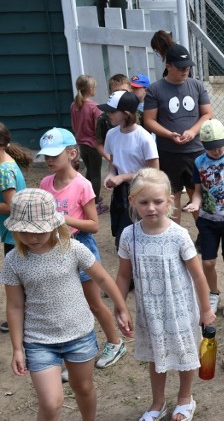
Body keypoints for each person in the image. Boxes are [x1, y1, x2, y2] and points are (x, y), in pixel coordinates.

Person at [0, 189, 133, 421]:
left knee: (83, 387)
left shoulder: (72, 248)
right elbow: (14, 306)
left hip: (79, 335)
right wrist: (17, 348)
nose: (32, 237)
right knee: (51, 404)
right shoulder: (13, 261)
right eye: (23, 231)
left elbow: (102, 278)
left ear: (53, 224)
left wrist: (121, 306)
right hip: (38, 341)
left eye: (38, 230)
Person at [115, 168, 215, 421]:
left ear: (170, 200)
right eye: (144, 202)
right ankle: (157, 403)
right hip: (150, 311)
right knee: (156, 356)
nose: (151, 208)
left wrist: (205, 310)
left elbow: (198, 276)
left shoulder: (178, 235)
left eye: (158, 202)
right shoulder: (129, 235)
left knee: (184, 354)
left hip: (180, 308)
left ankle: (185, 399)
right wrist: (121, 307)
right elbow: (124, 275)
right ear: (132, 202)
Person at [38, 128, 127, 370]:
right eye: (46, 155)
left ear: (72, 153)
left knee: (94, 302)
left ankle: (115, 342)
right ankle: (73, 353)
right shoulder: (45, 183)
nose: (49, 160)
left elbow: (94, 225)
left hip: (81, 246)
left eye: (54, 155)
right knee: (66, 303)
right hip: (55, 250)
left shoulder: (82, 185)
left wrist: (63, 218)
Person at [183, 119, 224, 318]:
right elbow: (197, 191)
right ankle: (214, 292)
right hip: (207, 221)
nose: (216, 150)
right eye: (211, 147)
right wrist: (195, 203)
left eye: (219, 145)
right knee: (208, 262)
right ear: (203, 145)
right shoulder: (199, 163)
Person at [143, 44, 213, 224]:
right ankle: (174, 237)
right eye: (181, 68)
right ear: (168, 66)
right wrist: (169, 134)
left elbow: (207, 113)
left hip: (195, 151)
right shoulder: (155, 89)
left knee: (197, 193)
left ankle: (204, 235)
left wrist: (192, 131)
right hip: (168, 152)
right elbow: (149, 120)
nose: (185, 71)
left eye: (188, 67)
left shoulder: (196, 85)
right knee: (171, 197)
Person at [100, 90, 159, 249]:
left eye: (112, 111)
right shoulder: (111, 134)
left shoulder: (144, 137)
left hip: (142, 191)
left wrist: (124, 177)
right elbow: (114, 163)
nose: (108, 114)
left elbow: (154, 172)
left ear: (125, 114)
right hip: (121, 193)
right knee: (123, 238)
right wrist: (111, 175)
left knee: (142, 237)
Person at [0, 122, 32, 333]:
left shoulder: (3, 170)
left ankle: (23, 320)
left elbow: (12, 206)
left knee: (18, 280)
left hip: (15, 234)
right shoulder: (7, 164)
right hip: (14, 233)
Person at [70, 75, 109, 214]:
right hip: (93, 145)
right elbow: (98, 129)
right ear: (90, 89)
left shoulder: (74, 105)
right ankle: (95, 203)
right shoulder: (94, 107)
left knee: (90, 172)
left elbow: (74, 126)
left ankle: (83, 197)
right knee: (96, 174)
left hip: (81, 144)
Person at [95, 73, 132, 163]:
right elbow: (99, 143)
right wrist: (112, 160)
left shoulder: (139, 115)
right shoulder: (103, 118)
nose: (120, 95)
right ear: (110, 93)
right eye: (116, 92)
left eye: (124, 91)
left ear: (130, 90)